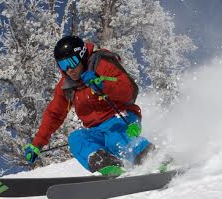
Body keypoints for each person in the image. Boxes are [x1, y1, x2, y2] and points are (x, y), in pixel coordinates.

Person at [24, 35, 153, 176]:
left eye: (71, 62)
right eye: (62, 65)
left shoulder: (102, 65)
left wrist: (103, 84)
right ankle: (108, 166)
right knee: (76, 139)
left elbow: (130, 90)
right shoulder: (67, 87)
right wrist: (37, 144)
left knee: (114, 138)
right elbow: (54, 114)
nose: (69, 69)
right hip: (96, 131)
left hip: (121, 118)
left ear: (81, 55)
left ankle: (150, 158)